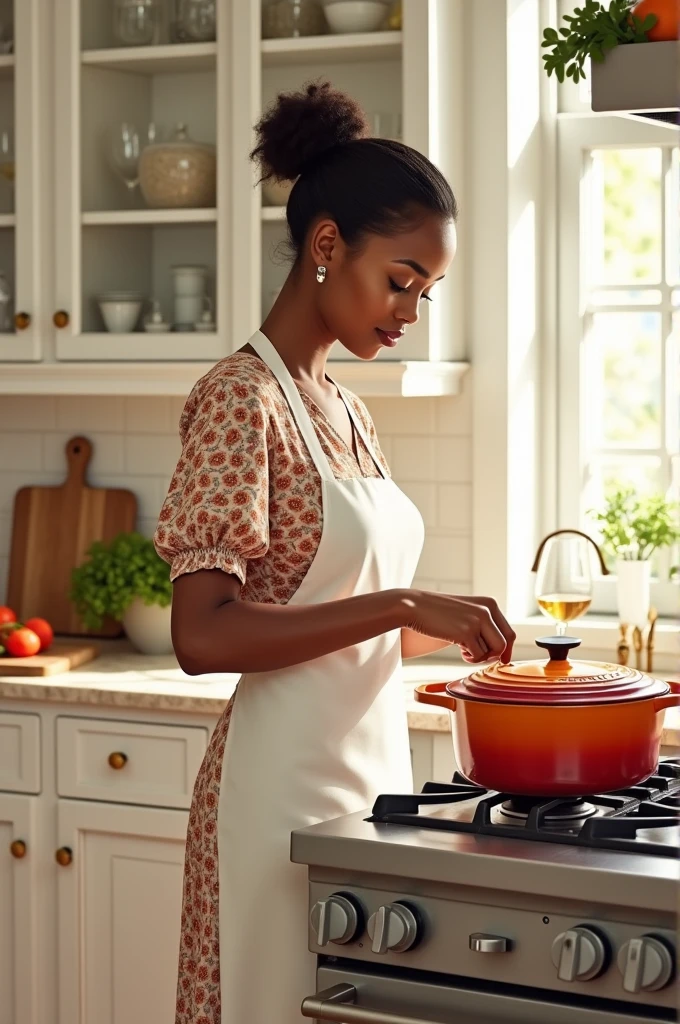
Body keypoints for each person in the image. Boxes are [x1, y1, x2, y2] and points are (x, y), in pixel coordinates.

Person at [154, 80, 515, 1024]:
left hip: (369, 783)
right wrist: (404, 604)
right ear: (326, 247)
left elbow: (353, 634)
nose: (409, 311)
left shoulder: (344, 407)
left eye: (426, 293)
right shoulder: (244, 400)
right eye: (400, 280)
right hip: (274, 795)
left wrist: (458, 628)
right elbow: (204, 635)